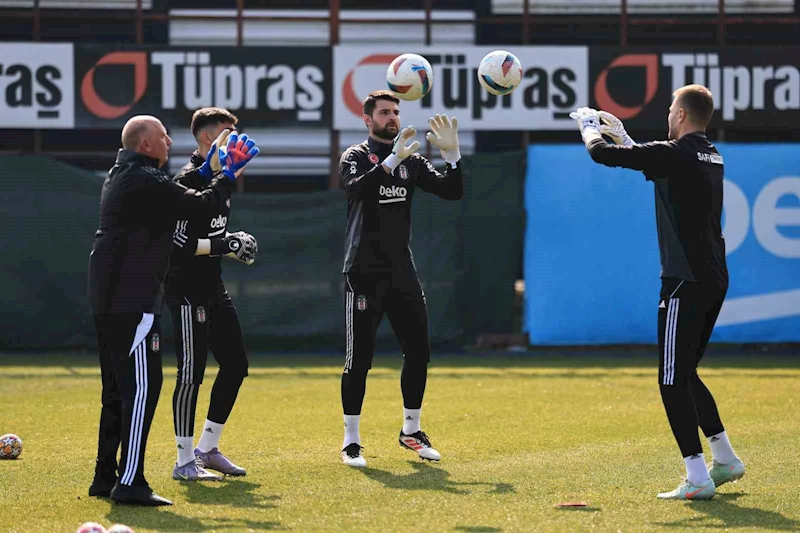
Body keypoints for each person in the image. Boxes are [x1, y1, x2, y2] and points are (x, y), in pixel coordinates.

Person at [571, 84, 745, 500]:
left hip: (684, 280)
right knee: (686, 373)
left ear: (682, 115)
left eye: (671, 109)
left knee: (671, 380)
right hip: (714, 278)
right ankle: (725, 459)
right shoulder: (709, 154)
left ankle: (698, 477)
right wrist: (628, 139)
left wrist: (590, 128)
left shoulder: (676, 153)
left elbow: (602, 156)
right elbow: (661, 168)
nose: (668, 114)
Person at [87, 115, 259, 505]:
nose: (169, 141)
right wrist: (227, 173)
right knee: (142, 391)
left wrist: (211, 169)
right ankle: (130, 481)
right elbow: (196, 207)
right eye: (163, 136)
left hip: (110, 298)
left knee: (115, 391)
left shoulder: (129, 174)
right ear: (146, 144)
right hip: (133, 299)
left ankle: (104, 476)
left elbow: (180, 193)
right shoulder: (143, 179)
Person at [338, 90, 463, 467]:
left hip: (400, 270)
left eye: (396, 112)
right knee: (359, 359)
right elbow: (356, 190)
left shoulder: (411, 157)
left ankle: (410, 431)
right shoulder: (356, 156)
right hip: (363, 271)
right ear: (367, 119)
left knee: (419, 351)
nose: (392, 118)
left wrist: (452, 155)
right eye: (384, 112)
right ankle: (351, 441)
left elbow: (451, 192)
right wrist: (392, 160)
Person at [165, 107, 258, 481]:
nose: (236, 142)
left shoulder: (223, 178)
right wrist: (226, 244)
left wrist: (229, 243)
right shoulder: (187, 179)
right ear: (207, 139)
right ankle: (184, 461)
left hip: (213, 289)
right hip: (186, 292)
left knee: (236, 365)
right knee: (191, 375)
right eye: (227, 134)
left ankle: (207, 448)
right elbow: (179, 246)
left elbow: (214, 236)